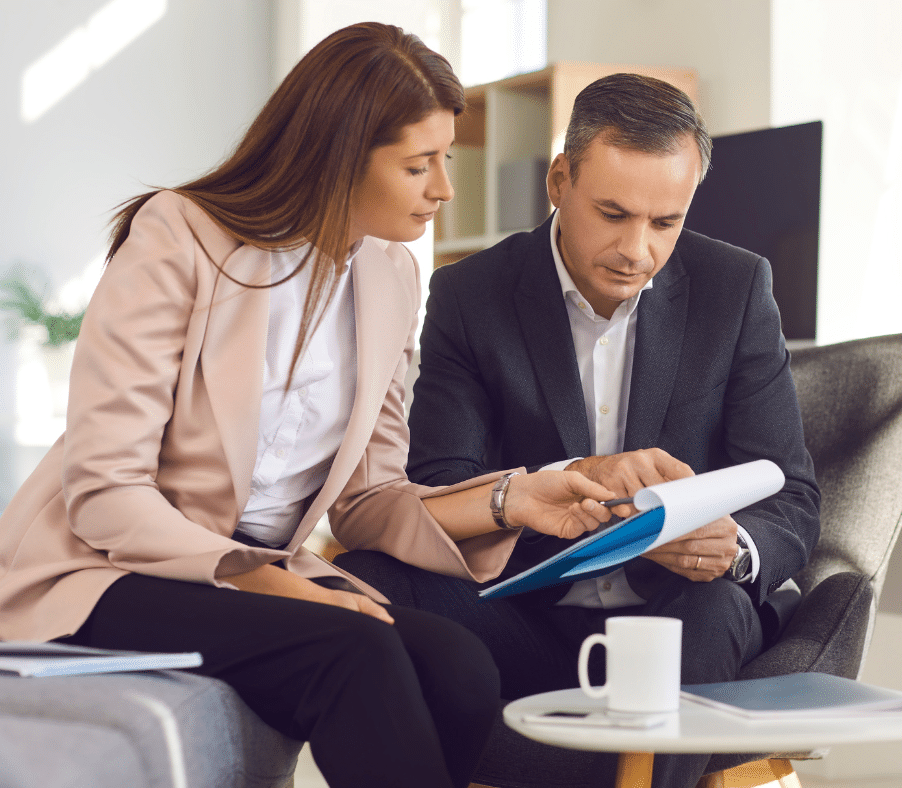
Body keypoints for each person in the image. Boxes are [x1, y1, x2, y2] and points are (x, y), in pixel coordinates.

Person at [0, 24, 625, 788]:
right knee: (355, 650)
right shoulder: (179, 236)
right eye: (419, 164)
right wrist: (266, 579)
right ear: (341, 156)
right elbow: (106, 493)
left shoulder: (391, 277)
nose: (444, 187)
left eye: (445, 158)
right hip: (103, 566)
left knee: (460, 665)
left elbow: (371, 500)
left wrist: (514, 498)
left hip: (248, 571)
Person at [333, 73, 821, 788]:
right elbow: (438, 484)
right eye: (613, 213)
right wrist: (567, 486)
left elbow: (794, 496)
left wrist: (731, 546)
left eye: (665, 222)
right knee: (364, 582)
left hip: (683, 616)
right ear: (560, 180)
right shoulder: (472, 296)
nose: (637, 250)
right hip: (528, 613)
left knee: (712, 605)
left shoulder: (735, 287)